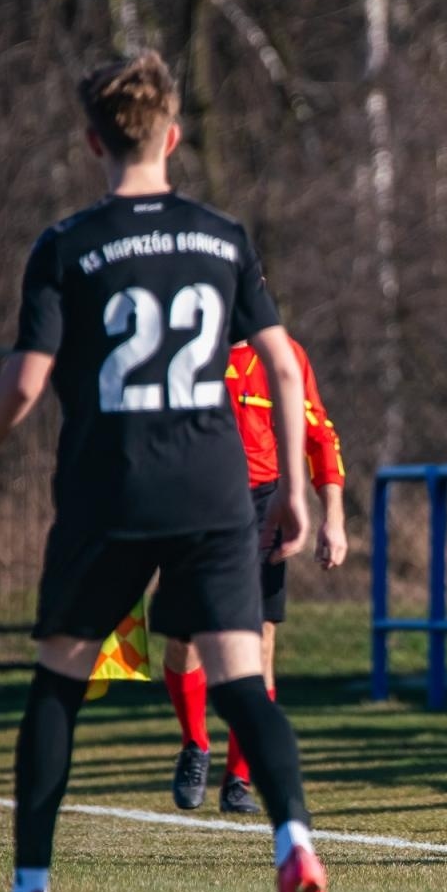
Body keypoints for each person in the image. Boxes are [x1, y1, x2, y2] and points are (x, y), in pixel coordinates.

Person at [0, 50, 329, 892]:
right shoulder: (222, 237)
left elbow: (20, 385)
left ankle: (29, 891)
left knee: (57, 683)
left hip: (110, 489)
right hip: (214, 490)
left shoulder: (66, 246)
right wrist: (293, 489)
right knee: (245, 682)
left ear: (93, 138)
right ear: (173, 135)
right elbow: (282, 366)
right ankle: (295, 849)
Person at [164, 335, 347, 814]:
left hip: (264, 502)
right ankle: (194, 745)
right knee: (185, 636)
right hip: (195, 499)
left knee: (260, 635)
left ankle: (239, 779)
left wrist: (333, 516)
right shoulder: (188, 342)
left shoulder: (284, 354)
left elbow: (319, 434)